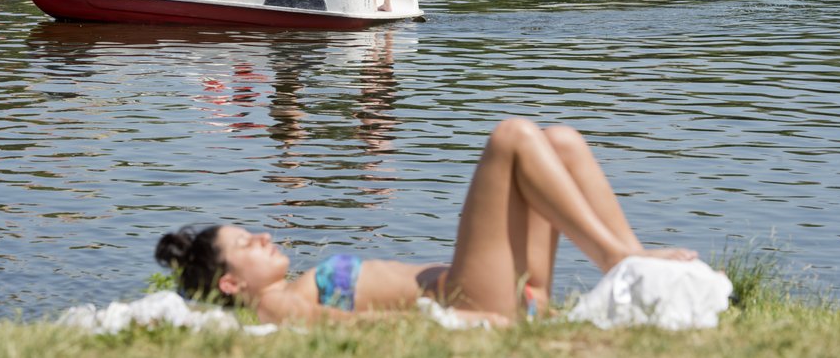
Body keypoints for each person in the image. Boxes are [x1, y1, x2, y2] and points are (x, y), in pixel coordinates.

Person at [156, 118, 698, 325]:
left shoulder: (293, 288)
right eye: (248, 243)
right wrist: (478, 328)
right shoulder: (276, 305)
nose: (265, 235)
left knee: (559, 141)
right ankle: (618, 258)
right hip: (478, 304)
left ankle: (632, 258)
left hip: (500, 293)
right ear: (232, 283)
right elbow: (360, 330)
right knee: (511, 137)